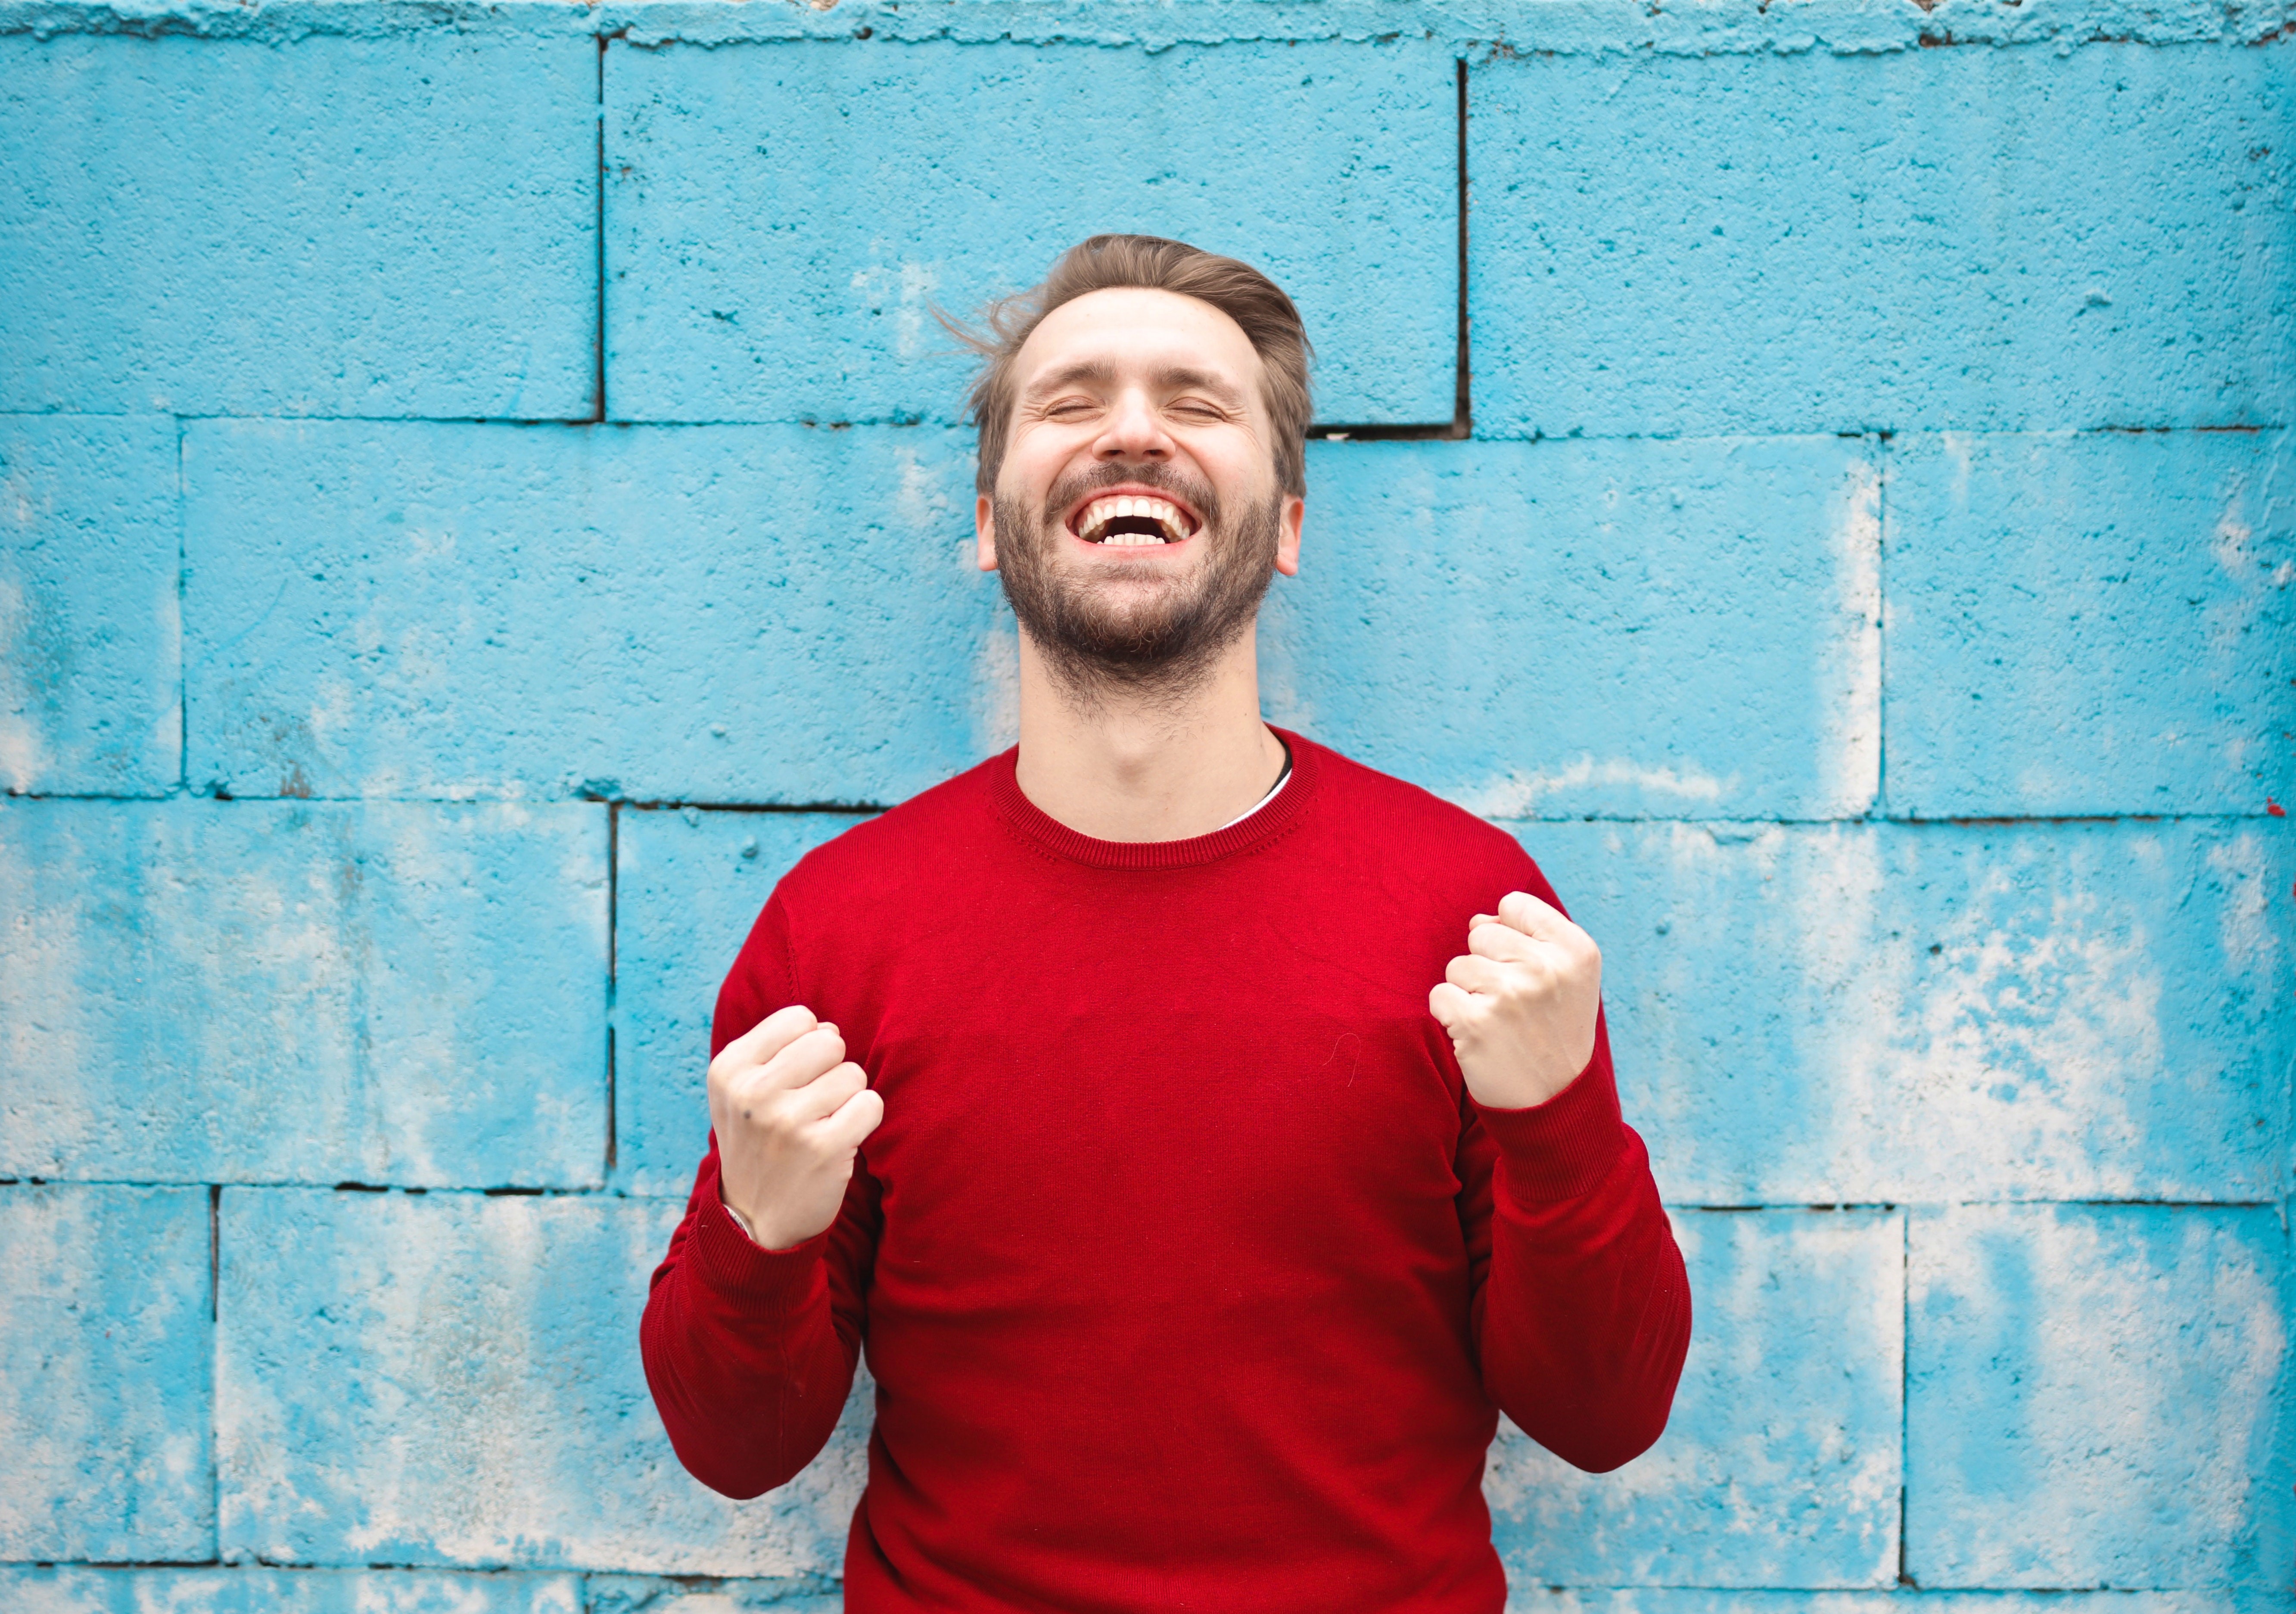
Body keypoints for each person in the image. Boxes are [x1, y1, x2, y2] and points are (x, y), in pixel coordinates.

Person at [640, 234, 1691, 1612]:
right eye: (1071, 401)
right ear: (985, 516)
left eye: (1195, 403)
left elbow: (1604, 1414)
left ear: (1289, 520)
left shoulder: (1467, 912)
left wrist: (1557, 1132)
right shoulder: (839, 929)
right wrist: (757, 1238)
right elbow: (736, 1448)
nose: (1131, 430)